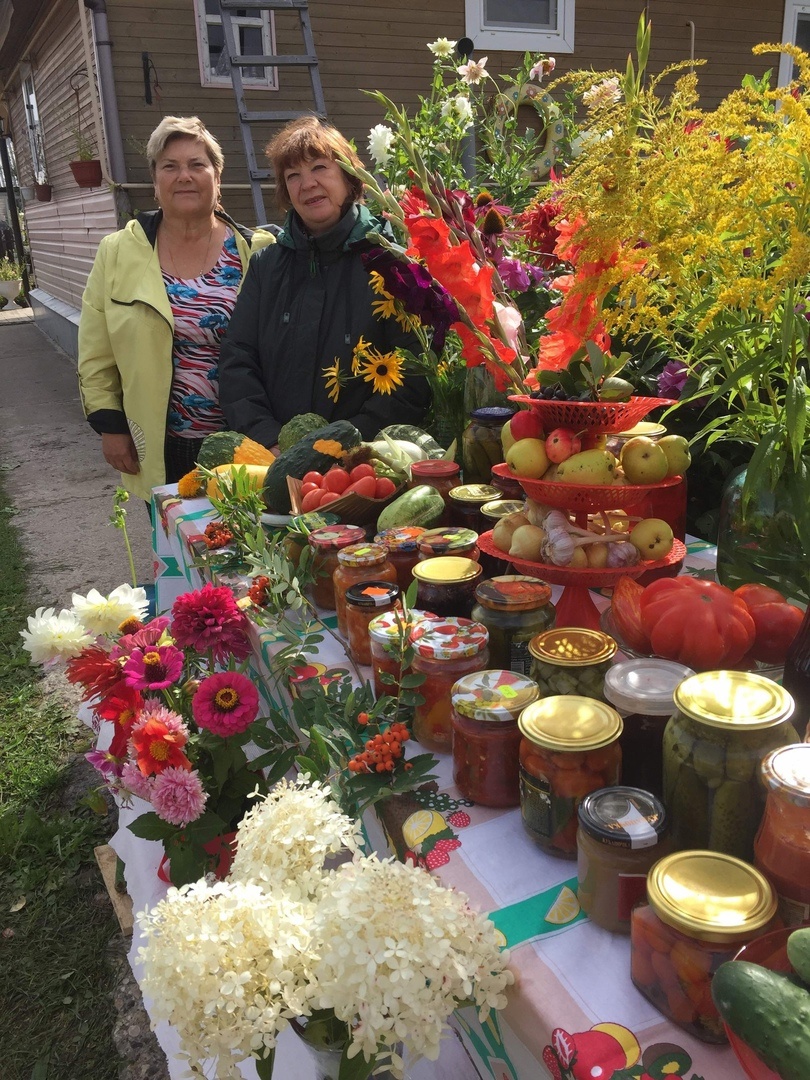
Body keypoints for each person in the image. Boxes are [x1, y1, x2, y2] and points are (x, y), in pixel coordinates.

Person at [78, 116, 274, 500]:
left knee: (248, 553)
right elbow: (95, 351)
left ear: (217, 178)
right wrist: (111, 426)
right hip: (160, 443)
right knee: (176, 552)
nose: (184, 176)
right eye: (170, 166)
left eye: (197, 165)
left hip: (249, 443)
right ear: (155, 182)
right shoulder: (118, 253)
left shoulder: (259, 251)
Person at [218, 116, 431, 449]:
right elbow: (237, 361)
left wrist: (346, 444)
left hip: (366, 461)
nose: (307, 184)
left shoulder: (390, 263)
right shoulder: (266, 267)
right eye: (293, 176)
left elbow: (414, 369)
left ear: (349, 177)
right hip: (275, 457)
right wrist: (268, 439)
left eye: (319, 168)